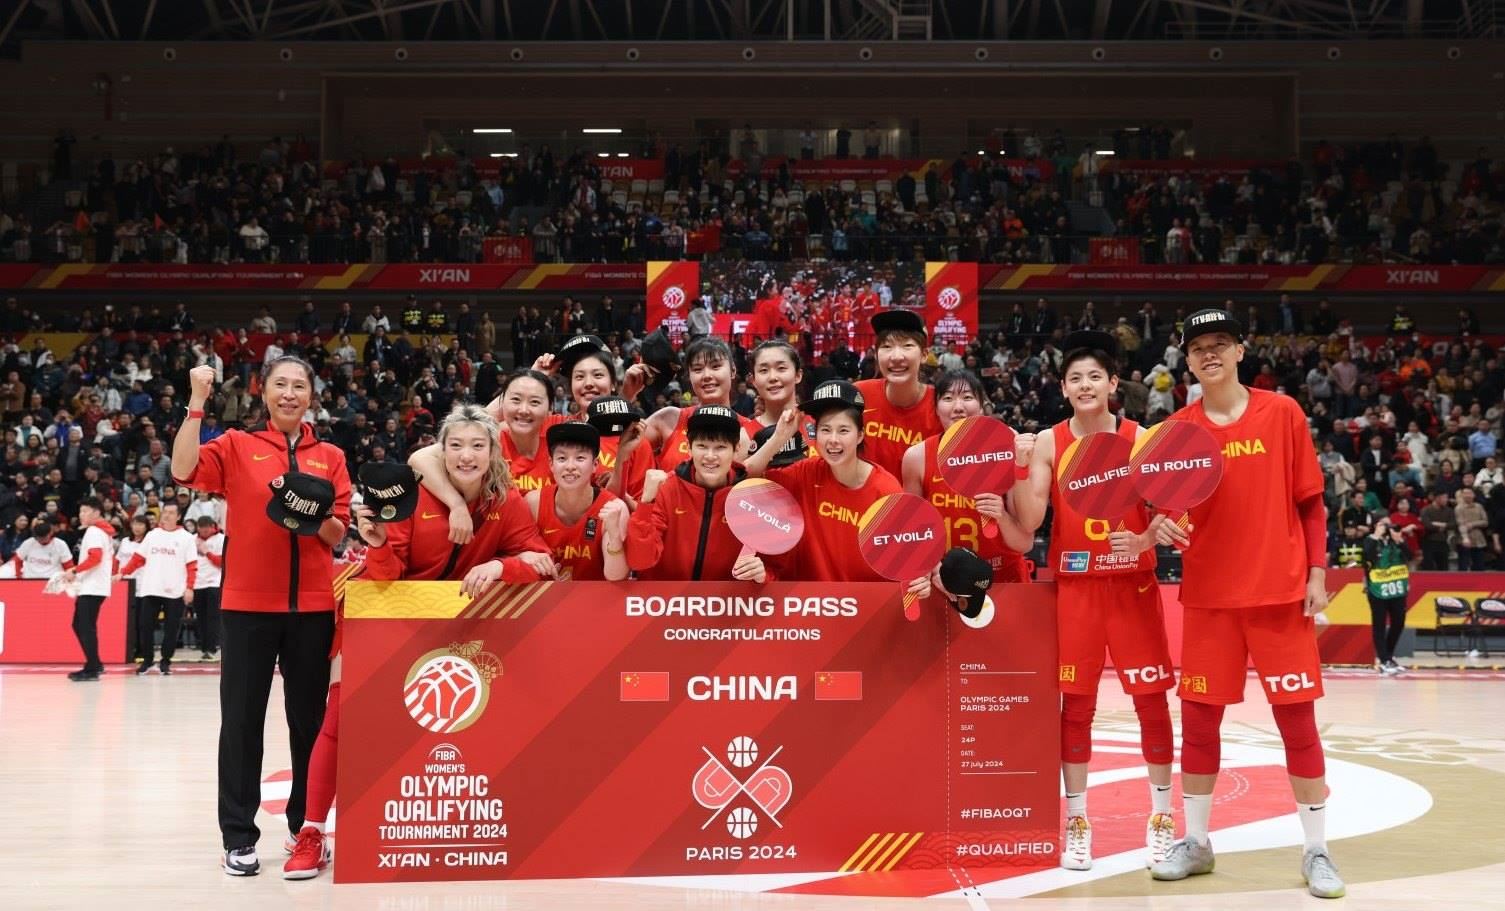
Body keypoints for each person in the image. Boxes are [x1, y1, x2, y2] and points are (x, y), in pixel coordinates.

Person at [284, 404, 553, 881]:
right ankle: (311, 832)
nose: (466, 455)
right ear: (441, 451)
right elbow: (387, 576)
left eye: (477, 446)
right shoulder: (411, 495)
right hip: (381, 614)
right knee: (339, 719)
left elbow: (541, 561)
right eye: (456, 445)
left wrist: (499, 565)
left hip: (451, 628)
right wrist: (378, 544)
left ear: (493, 453)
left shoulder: (504, 501)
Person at [1150, 309, 1344, 899]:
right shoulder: (1175, 431)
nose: (1209, 354)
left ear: (1240, 351)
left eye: (1220, 343)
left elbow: (1310, 503)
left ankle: (1316, 849)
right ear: (1186, 360)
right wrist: (1161, 524)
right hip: (1210, 599)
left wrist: (1317, 572)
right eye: (1198, 347)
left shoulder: (1282, 413)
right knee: (1199, 725)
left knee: (1298, 725)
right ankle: (1197, 842)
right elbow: (1164, 511)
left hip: (1279, 594)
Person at [172, 358, 351, 877]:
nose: (290, 394)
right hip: (246, 607)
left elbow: (338, 534)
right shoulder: (236, 445)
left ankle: (304, 827)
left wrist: (311, 512)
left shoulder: (331, 457)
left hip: (312, 608)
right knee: (241, 723)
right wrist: (197, 402)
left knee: (309, 724)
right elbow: (183, 469)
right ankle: (238, 836)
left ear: (311, 395)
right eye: (280, 385)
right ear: (263, 391)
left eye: (299, 386)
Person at [1012, 330, 1176, 871]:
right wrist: (1019, 468)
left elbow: (1174, 508)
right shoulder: (1049, 442)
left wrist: (1146, 538)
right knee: (1076, 706)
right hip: (1076, 587)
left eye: (1094, 377)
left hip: (1133, 586)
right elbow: (1031, 519)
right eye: (1075, 378)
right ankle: (1078, 823)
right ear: (1063, 388)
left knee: (1150, 702)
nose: (1085, 385)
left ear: (1112, 384)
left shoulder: (1141, 437)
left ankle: (1162, 818)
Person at [744, 380, 929, 597]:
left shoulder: (886, 490)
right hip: (812, 606)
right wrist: (780, 437)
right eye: (825, 430)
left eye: (843, 430)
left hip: (865, 606)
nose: (833, 440)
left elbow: (907, 560)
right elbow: (748, 477)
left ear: (860, 435)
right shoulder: (806, 472)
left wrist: (918, 582)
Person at [901, 370, 1031, 585]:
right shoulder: (917, 457)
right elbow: (913, 536)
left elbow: (1024, 543)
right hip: (945, 580)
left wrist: (1001, 516)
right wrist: (933, 569)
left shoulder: (1008, 448)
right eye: (948, 398)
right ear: (936, 408)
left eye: (967, 397)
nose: (958, 407)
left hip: (1004, 578)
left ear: (981, 406)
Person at [626, 405, 768, 583]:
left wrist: (764, 575)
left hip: (722, 599)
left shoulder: (750, 496)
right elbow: (639, 561)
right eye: (702, 446)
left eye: (720, 447)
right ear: (688, 447)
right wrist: (646, 503)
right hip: (664, 597)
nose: (710, 456)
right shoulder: (666, 489)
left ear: (736, 449)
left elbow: (772, 567)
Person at [630, 337, 759, 471]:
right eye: (697, 369)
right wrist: (628, 395)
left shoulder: (751, 432)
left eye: (715, 366)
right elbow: (619, 450)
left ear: (733, 370)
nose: (707, 375)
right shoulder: (669, 420)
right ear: (689, 376)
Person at [526, 422, 630, 581]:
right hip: (543, 594)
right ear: (551, 464)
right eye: (562, 458)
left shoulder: (614, 508)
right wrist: (525, 556)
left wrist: (615, 536)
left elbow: (615, 576)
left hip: (594, 595)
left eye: (580, 458)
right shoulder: (533, 503)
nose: (570, 466)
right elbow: (515, 557)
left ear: (595, 465)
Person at [855, 310, 942, 479]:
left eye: (907, 346)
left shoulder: (941, 406)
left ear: (924, 355)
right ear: (876, 354)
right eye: (886, 347)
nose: (896, 357)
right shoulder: (858, 395)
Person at [116, 501, 197, 676]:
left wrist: (190, 588)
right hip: (151, 588)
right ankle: (147, 660)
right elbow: (138, 559)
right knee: (145, 626)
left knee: (171, 629)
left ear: (178, 516)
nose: (167, 515)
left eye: (171, 512)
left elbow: (192, 566)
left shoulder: (187, 538)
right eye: (165, 512)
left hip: (174, 591)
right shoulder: (152, 535)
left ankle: (165, 661)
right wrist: (122, 573)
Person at [60, 497, 115, 681]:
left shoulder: (94, 531)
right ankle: (95, 663)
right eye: (80, 511)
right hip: (95, 586)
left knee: (84, 626)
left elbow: (95, 558)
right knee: (82, 625)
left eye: (85, 511)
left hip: (92, 586)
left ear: (97, 513)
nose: (81, 515)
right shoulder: (103, 532)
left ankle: (92, 668)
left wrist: (75, 570)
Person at [1362, 519, 1411, 675]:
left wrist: (1400, 540)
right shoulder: (1370, 540)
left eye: (1387, 525)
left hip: (1397, 589)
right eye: (1382, 525)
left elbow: (1410, 556)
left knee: (1399, 622)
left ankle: (1388, 656)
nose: (1386, 528)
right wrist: (1376, 536)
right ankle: (1383, 660)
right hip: (1377, 589)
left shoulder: (1396, 541)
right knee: (1379, 625)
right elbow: (1366, 558)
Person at [193, 515, 225, 661]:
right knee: (200, 617)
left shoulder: (220, 539)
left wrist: (207, 552)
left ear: (212, 527)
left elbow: (222, 562)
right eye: (201, 528)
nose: (204, 531)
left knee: (213, 617)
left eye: (207, 528)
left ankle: (212, 648)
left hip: (214, 583)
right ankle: (204, 647)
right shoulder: (192, 539)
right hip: (197, 583)